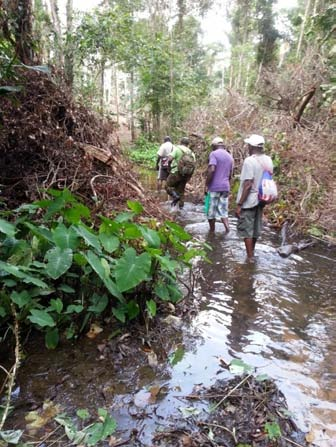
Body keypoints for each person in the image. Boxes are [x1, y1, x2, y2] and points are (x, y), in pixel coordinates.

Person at [235, 134, 274, 261]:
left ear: (251, 147)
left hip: (249, 200)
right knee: (256, 228)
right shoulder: (268, 160)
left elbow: (247, 184)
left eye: (248, 145)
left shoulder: (249, 161)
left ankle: (250, 258)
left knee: (247, 230)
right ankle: (252, 253)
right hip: (262, 199)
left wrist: (240, 204)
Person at [204, 136, 234, 233]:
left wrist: (206, 184)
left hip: (214, 187)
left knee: (211, 212)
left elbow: (212, 169)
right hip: (225, 187)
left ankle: (212, 232)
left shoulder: (213, 154)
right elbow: (231, 174)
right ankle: (228, 230)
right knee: (224, 212)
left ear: (214, 145)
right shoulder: (230, 156)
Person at [166, 137, 196, 209]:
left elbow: (169, 159)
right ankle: (180, 209)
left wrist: (169, 166)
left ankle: (175, 197)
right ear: (188, 144)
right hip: (186, 175)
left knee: (167, 186)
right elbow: (193, 164)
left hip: (176, 172)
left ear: (180, 142)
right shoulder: (191, 153)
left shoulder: (177, 149)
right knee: (181, 192)